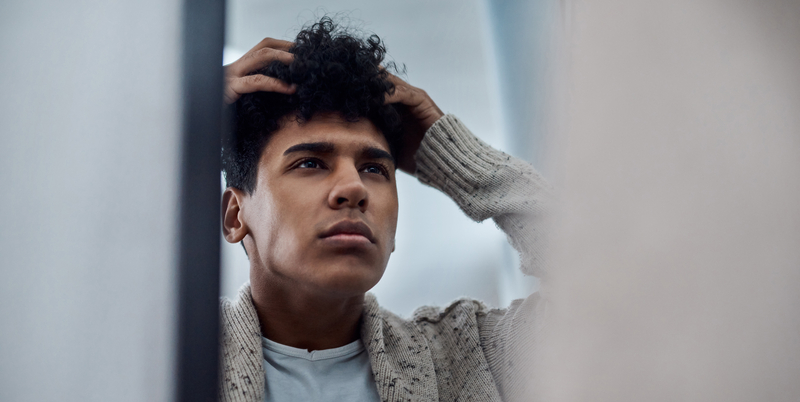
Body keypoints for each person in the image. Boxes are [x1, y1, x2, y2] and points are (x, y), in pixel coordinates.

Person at [219, 17, 552, 402]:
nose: (355, 188)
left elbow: (615, 291)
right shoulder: (167, 352)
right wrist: (169, 118)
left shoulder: (473, 357)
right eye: (310, 163)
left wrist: (458, 157)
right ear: (235, 216)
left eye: (374, 169)